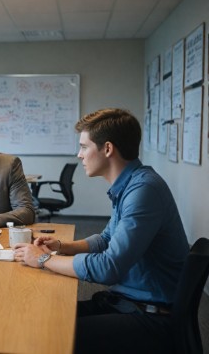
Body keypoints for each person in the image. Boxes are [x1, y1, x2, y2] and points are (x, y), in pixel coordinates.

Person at [13, 108, 189, 353]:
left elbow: (108, 267)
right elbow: (107, 238)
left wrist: (43, 259)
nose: (79, 154)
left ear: (107, 149)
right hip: (126, 301)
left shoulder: (143, 191)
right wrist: (62, 247)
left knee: (43, 334)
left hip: (149, 315)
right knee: (37, 316)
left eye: (84, 147)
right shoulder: (131, 184)